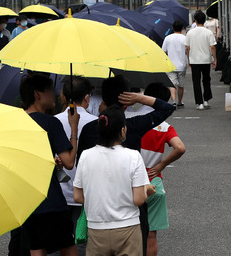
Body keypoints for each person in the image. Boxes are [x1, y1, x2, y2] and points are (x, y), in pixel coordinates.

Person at [77, 75, 176, 255]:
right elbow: (167, 108)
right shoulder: (134, 127)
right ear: (126, 101)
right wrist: (139, 97)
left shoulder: (88, 131)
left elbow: (79, 188)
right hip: (130, 217)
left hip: (97, 216)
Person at [74, 106, 156, 256]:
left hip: (96, 228)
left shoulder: (86, 156)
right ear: (122, 130)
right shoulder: (133, 156)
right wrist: (147, 189)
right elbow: (138, 199)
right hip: (127, 228)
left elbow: (78, 197)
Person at [12, 75, 79, 256]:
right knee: (68, 249)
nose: (56, 94)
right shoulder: (51, 123)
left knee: (37, 250)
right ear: (37, 94)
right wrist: (74, 127)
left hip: (26, 200)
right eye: (50, 90)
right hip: (51, 199)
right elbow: (69, 162)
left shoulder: (14, 122)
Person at [136, 83, 186, 256]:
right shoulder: (164, 127)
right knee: (151, 235)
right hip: (152, 180)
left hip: (130, 181)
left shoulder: (128, 117)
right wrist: (161, 165)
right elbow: (180, 148)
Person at [53, 76, 97, 255]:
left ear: (63, 97)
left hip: (59, 190)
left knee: (58, 241)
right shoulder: (97, 122)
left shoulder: (53, 121)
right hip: (86, 192)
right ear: (87, 98)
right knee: (82, 240)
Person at [186, 11, 217, 110]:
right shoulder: (209, 32)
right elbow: (212, 47)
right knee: (206, 80)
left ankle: (199, 103)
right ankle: (206, 100)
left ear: (195, 21)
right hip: (206, 60)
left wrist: (188, 59)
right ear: (205, 21)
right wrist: (215, 59)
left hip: (194, 60)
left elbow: (187, 48)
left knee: (196, 81)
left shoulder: (190, 32)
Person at [162, 20, 187, 107]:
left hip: (170, 64)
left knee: (172, 84)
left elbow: (163, 51)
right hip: (182, 64)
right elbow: (187, 50)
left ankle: (173, 101)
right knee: (181, 85)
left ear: (172, 28)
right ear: (182, 28)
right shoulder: (185, 38)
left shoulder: (167, 38)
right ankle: (180, 101)